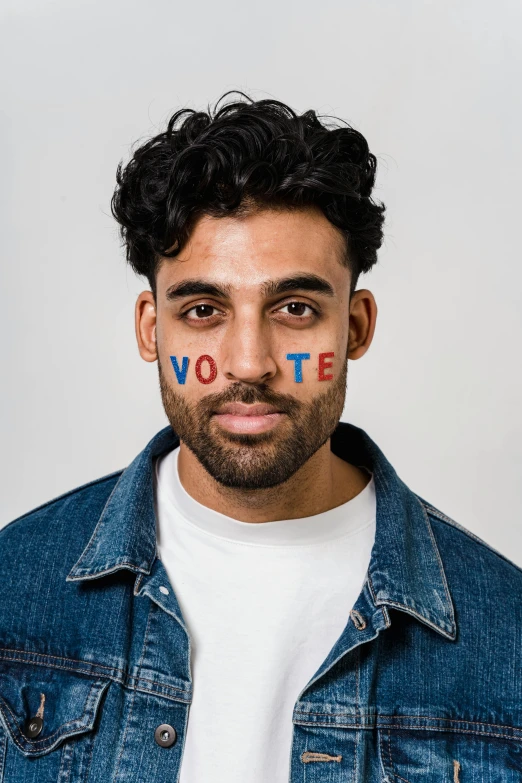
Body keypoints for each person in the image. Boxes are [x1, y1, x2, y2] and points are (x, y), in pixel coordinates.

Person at [1, 91, 521, 783]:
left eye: (296, 308)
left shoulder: (506, 641)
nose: (249, 362)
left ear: (356, 326)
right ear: (151, 329)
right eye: (204, 309)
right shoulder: (14, 589)